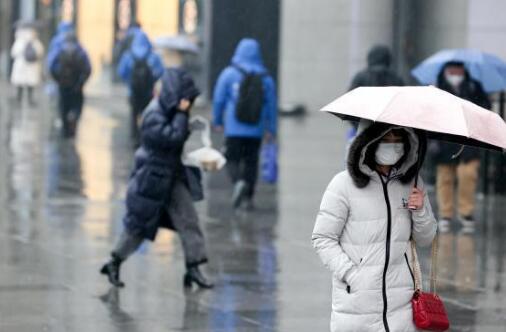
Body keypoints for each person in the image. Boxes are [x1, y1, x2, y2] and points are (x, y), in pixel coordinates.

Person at [312, 121, 437, 332]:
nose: (393, 145)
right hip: (357, 305)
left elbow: (426, 238)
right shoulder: (342, 185)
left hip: (402, 303)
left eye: (398, 140)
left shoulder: (413, 184)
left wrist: (420, 210)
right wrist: (352, 275)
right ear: (369, 142)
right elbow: (323, 238)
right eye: (386, 139)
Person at [100, 68, 213, 290]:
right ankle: (114, 262)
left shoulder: (168, 111)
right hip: (151, 181)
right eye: (186, 100)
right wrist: (181, 116)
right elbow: (171, 138)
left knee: (189, 221)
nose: (188, 105)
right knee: (138, 227)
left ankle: (193, 268)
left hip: (171, 178)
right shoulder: (153, 115)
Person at [212, 38, 277, 209]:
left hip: (233, 128)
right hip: (255, 129)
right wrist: (271, 129)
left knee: (230, 158)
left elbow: (218, 100)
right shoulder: (266, 78)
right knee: (251, 162)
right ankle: (248, 198)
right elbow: (271, 106)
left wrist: (217, 121)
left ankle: (238, 182)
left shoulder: (228, 74)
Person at [432, 61, 491, 233]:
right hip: (445, 140)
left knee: (468, 175)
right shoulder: (437, 89)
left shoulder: (473, 87)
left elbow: (485, 108)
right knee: (445, 178)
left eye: (458, 71)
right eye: (452, 71)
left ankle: (466, 212)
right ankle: (446, 214)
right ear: (445, 72)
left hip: (469, 140)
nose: (455, 74)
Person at [118, 31, 164, 140]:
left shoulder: (129, 55)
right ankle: (145, 136)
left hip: (133, 91)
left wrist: (130, 81)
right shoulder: (153, 56)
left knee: (134, 114)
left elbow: (121, 72)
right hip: (148, 92)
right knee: (147, 114)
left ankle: (134, 136)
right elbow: (160, 72)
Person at [49, 32, 91, 138]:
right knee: (77, 106)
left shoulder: (59, 51)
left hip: (63, 84)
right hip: (77, 86)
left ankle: (65, 130)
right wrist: (82, 82)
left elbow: (51, 66)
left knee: (63, 106)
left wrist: (57, 79)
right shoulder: (81, 52)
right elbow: (88, 69)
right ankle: (74, 118)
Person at [10, 27, 44, 105]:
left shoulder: (19, 42)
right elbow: (41, 52)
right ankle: (30, 99)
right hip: (32, 66)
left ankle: (18, 99)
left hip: (21, 66)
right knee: (30, 85)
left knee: (20, 84)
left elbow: (13, 53)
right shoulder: (35, 42)